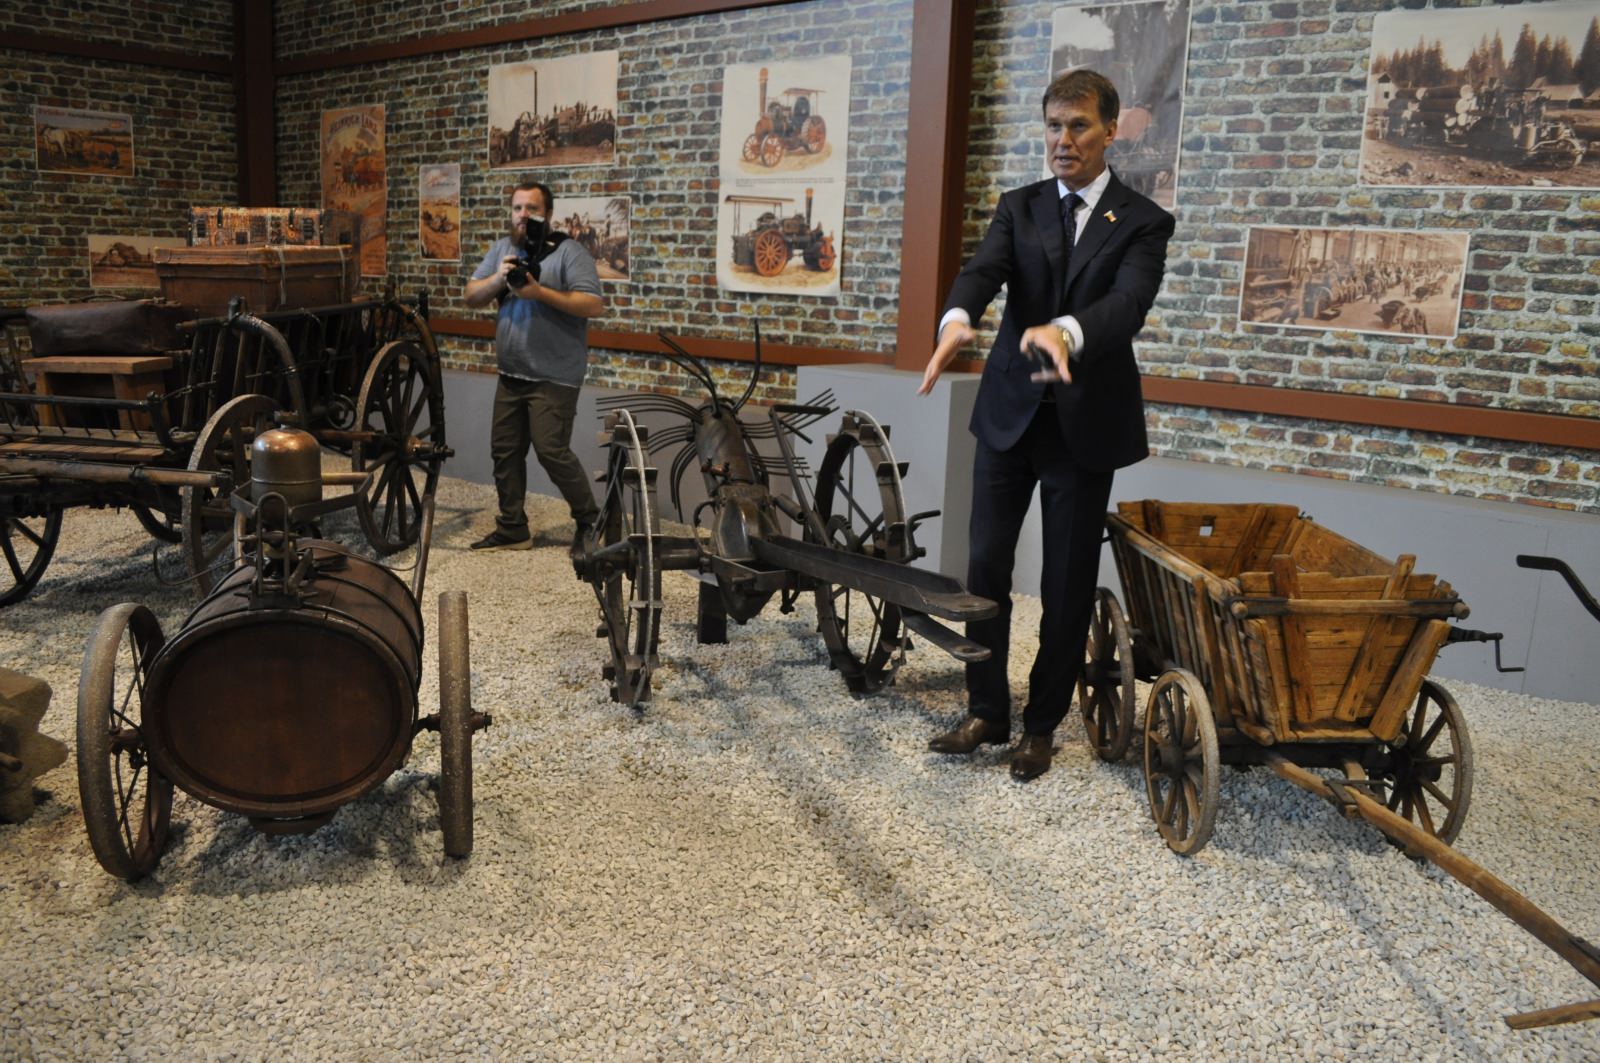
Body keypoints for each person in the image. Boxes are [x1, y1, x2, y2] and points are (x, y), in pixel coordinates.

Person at [917, 69, 1175, 781]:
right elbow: (983, 270)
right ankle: (985, 711)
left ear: (1110, 131)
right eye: (1054, 126)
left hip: (1083, 428)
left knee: (1065, 583)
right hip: (1008, 417)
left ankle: (1039, 727)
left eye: (1079, 126)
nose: (1063, 140)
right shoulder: (1020, 205)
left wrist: (1066, 331)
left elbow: (1128, 304)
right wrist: (957, 318)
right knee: (985, 570)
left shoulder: (1143, 220)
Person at [464, 180, 606, 555]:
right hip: (511, 374)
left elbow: (593, 304)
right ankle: (513, 528)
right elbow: (471, 296)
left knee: (551, 451)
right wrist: (499, 277)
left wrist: (538, 292)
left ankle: (591, 522)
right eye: (517, 208)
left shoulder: (569, 252)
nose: (523, 215)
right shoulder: (503, 249)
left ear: (548, 213)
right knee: (505, 452)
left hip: (554, 376)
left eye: (532, 208)